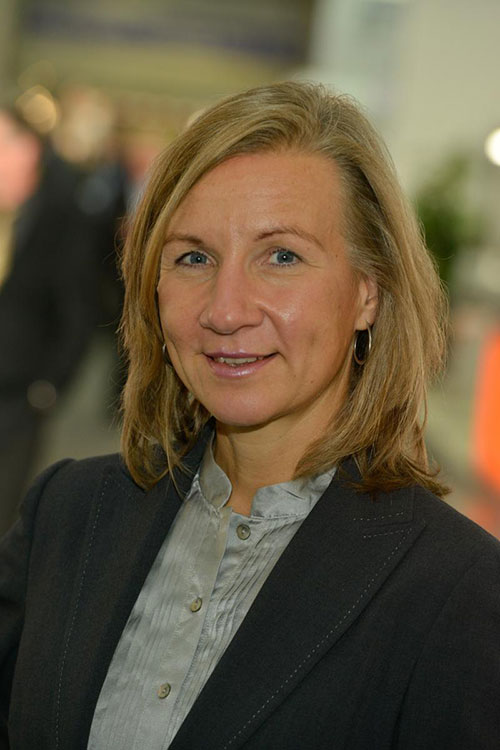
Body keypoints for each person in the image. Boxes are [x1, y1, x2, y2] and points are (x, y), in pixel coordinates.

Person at [1, 81, 499, 749]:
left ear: (368, 292)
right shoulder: (64, 516)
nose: (225, 309)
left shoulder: (460, 594)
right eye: (194, 257)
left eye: (282, 256)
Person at [0, 102, 98, 534]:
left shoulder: (62, 215)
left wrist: (51, 384)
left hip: (18, 393)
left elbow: (78, 306)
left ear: (29, 149)